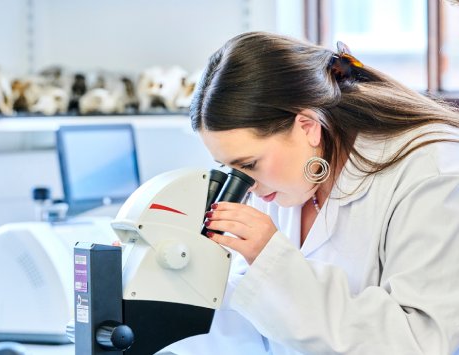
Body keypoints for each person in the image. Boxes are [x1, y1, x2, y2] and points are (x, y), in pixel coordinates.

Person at [159, 32, 459, 354]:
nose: (249, 187)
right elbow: (260, 325)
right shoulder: (288, 180)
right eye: (230, 167)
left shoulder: (432, 172)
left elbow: (422, 342)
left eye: (249, 164)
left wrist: (274, 265)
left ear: (307, 127)